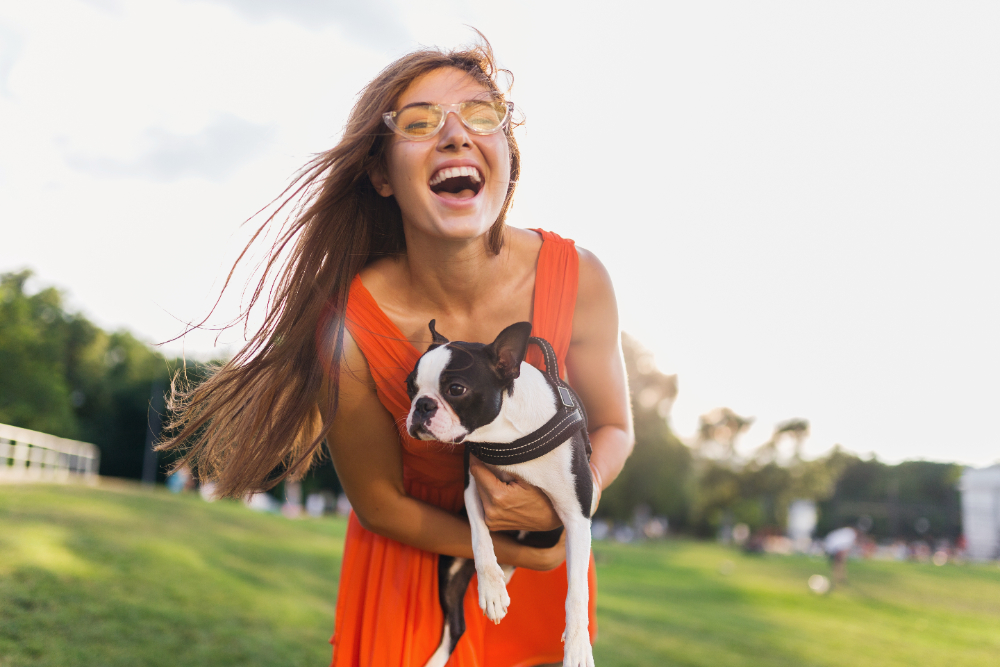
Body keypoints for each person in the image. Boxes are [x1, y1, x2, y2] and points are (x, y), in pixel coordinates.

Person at [161, 35, 634, 667]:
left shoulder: (581, 277)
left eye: (481, 115)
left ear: (506, 154)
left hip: (541, 591)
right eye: (419, 122)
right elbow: (379, 503)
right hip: (410, 575)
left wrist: (574, 500)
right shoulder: (350, 327)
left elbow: (614, 428)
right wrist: (523, 547)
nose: (456, 134)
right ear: (382, 175)